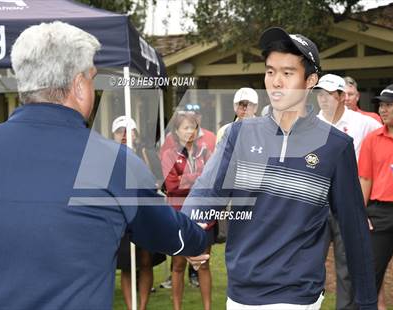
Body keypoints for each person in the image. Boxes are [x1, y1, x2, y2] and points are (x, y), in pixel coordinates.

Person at [0, 21, 208, 310]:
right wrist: (197, 243)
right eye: (93, 78)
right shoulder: (112, 162)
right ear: (80, 85)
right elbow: (170, 232)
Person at [182, 27, 377, 310]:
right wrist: (192, 234)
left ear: (310, 80)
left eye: (287, 73)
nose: (276, 82)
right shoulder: (239, 134)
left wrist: (367, 301)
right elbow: (206, 190)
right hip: (240, 293)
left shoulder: (336, 145)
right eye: (270, 71)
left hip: (297, 294)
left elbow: (354, 228)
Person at [315, 74, 381, 310]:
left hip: (349, 203)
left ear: (343, 97)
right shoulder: (310, 124)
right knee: (311, 261)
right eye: (319, 94)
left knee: (347, 265)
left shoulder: (365, 123)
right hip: (318, 204)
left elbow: (383, 147)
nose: (323, 100)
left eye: (329, 95)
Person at [358, 84, 393, 310]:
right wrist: (361, 214)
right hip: (378, 213)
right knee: (371, 271)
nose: (382, 110)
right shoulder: (372, 139)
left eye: (389, 105)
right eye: (381, 105)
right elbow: (365, 180)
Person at [161, 111, 214, 310]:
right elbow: (172, 186)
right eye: (185, 127)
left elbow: (210, 181)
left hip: (202, 215)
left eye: (193, 127)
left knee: (204, 264)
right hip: (178, 216)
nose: (190, 131)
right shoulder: (168, 154)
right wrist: (196, 180)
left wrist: (192, 180)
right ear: (176, 131)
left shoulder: (205, 152)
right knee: (178, 266)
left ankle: (207, 308)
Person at [112, 116, 165, 310]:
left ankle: (141, 306)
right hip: (121, 216)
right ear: (114, 135)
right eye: (120, 131)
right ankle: (130, 307)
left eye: (128, 130)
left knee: (145, 260)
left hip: (145, 214)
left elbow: (159, 180)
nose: (124, 135)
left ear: (135, 133)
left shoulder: (146, 153)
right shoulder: (108, 156)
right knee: (126, 263)